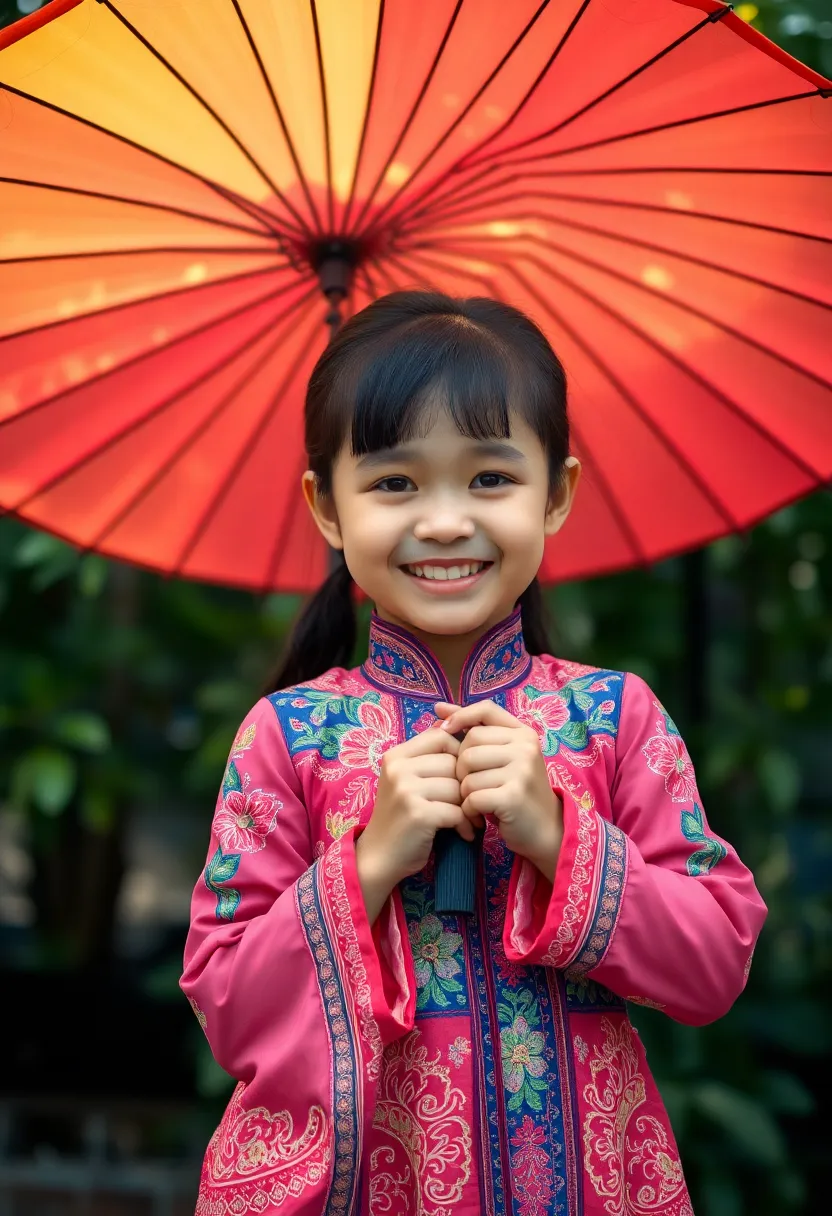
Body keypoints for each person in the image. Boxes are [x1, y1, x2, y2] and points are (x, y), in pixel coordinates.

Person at [181, 291, 767, 1216]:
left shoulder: (613, 717)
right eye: (394, 483)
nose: (447, 521)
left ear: (558, 491)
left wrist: (562, 836)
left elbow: (713, 964)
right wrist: (366, 862)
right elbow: (228, 1004)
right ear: (326, 508)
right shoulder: (284, 735)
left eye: (490, 478)